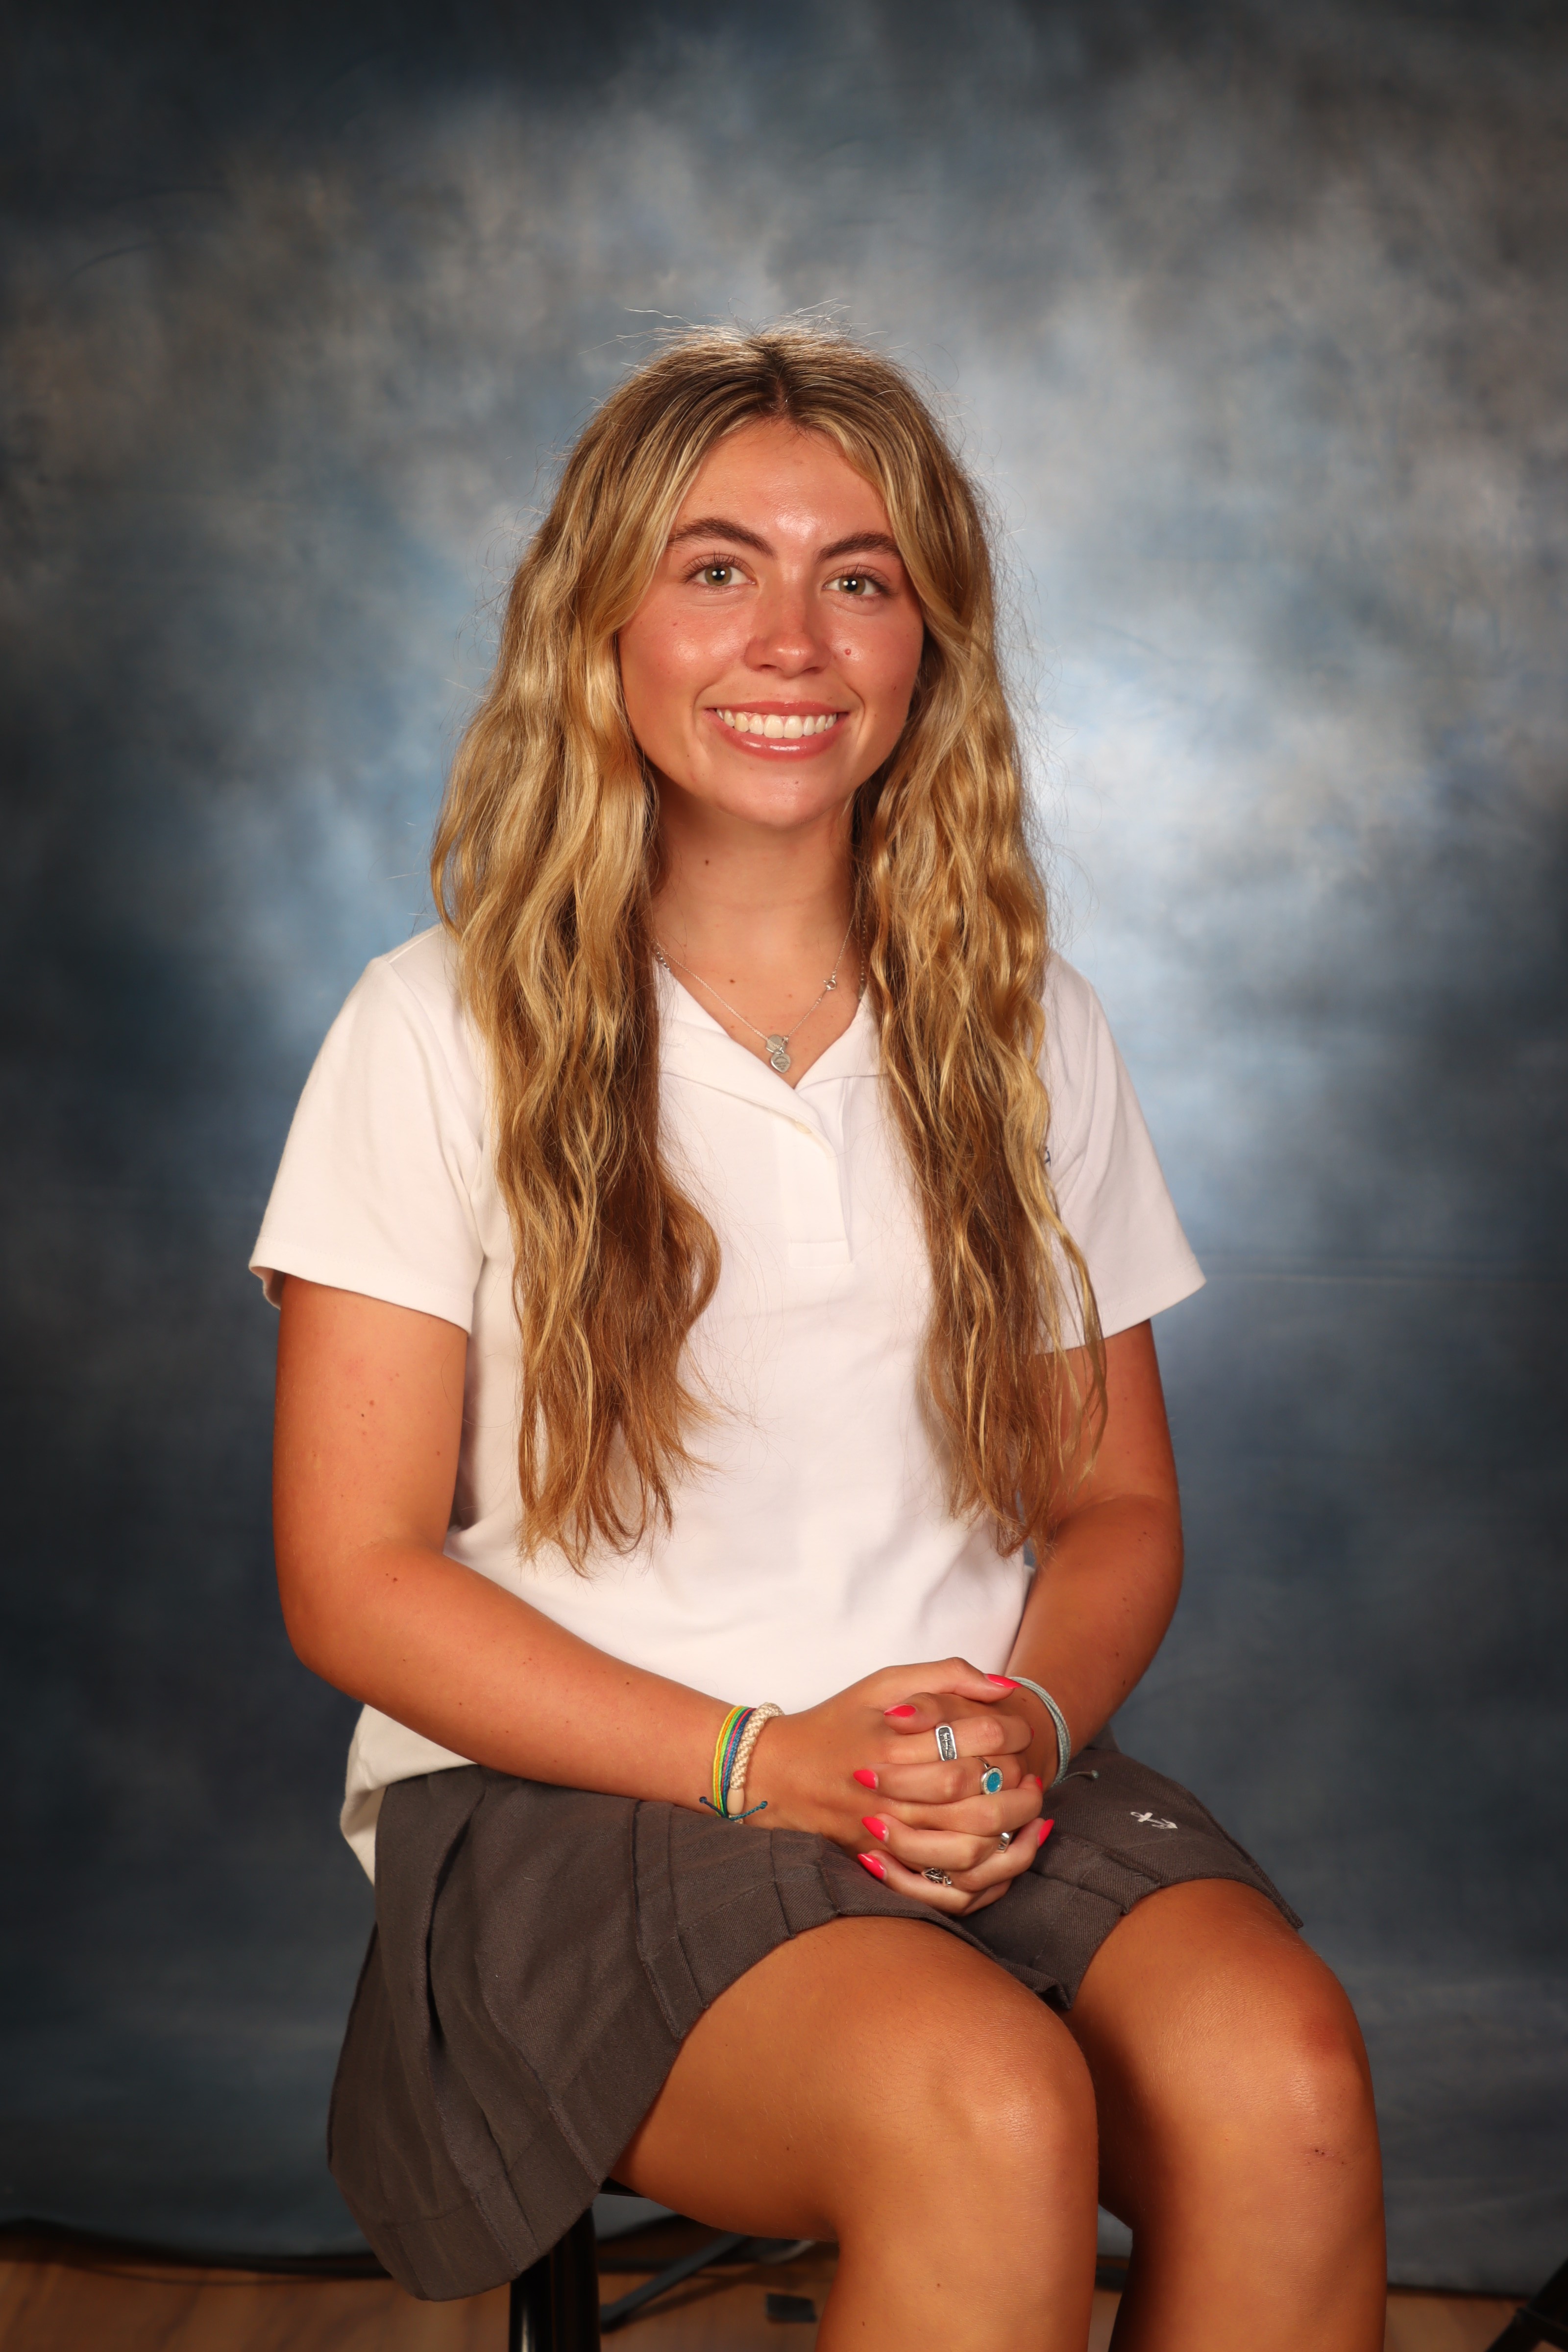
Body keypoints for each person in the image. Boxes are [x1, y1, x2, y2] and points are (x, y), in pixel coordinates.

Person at [253, 325, 1385, 2351]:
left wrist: (1026, 1729)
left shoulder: (1022, 1028)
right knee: (983, 2105)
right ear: (599, 622)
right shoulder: (433, 1030)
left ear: (926, 642)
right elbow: (351, 1581)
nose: (791, 638)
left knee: (1283, 2082)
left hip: (961, 1779)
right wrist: (766, 1761)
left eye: (857, 577)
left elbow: (1115, 1509)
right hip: (578, 1795)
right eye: (716, 569)